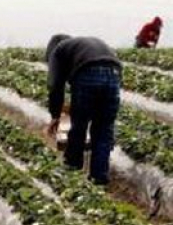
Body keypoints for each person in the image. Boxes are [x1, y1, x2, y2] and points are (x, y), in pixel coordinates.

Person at [45, 35, 122, 187]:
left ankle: (72, 168)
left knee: (79, 124)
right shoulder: (81, 46)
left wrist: (55, 115)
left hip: (88, 72)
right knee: (104, 128)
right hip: (114, 74)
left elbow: (55, 85)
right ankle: (99, 178)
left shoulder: (58, 51)